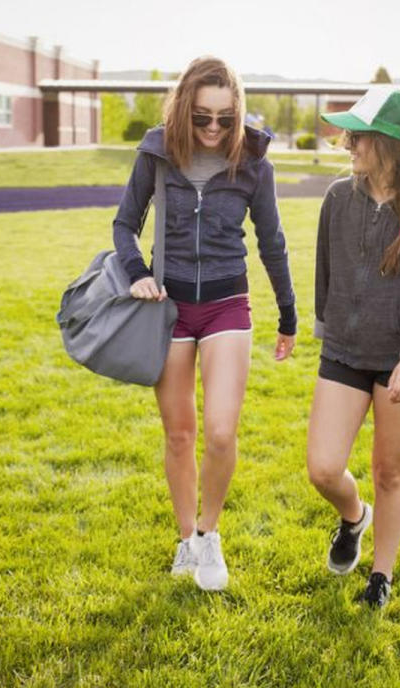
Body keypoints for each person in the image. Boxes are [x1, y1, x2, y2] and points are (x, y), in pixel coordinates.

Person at [113, 56, 297, 591]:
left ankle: (209, 532)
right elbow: (125, 224)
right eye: (201, 118)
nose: (214, 129)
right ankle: (185, 540)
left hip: (226, 303)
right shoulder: (156, 152)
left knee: (219, 432)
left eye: (224, 118)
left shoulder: (255, 163)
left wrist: (288, 314)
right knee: (179, 435)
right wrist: (137, 273)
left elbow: (273, 242)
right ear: (182, 111)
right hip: (167, 307)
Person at [307, 86, 400, 608]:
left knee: (390, 472)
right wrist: (330, 329)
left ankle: (381, 577)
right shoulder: (338, 198)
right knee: (323, 468)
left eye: (357, 135)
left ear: (386, 143)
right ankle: (353, 517)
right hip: (345, 352)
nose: (347, 142)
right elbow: (325, 269)